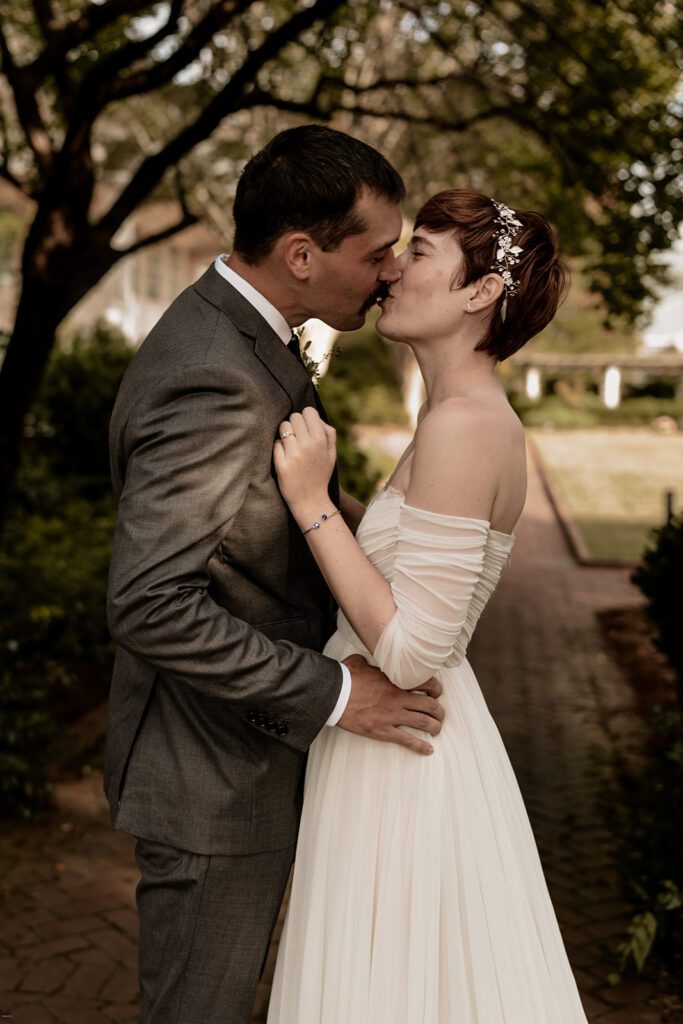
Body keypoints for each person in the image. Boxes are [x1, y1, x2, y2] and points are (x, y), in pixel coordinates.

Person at [104, 125, 446, 1024]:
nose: (387, 274)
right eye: (376, 254)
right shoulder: (216, 377)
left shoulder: (241, 335)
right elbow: (150, 603)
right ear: (301, 254)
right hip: (212, 780)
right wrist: (336, 694)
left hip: (235, 763)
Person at [267, 190, 590, 1022]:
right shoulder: (453, 418)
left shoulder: (466, 427)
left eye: (420, 255)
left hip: (404, 749)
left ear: (478, 293)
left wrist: (312, 502)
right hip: (390, 741)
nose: (391, 272)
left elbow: (411, 654)